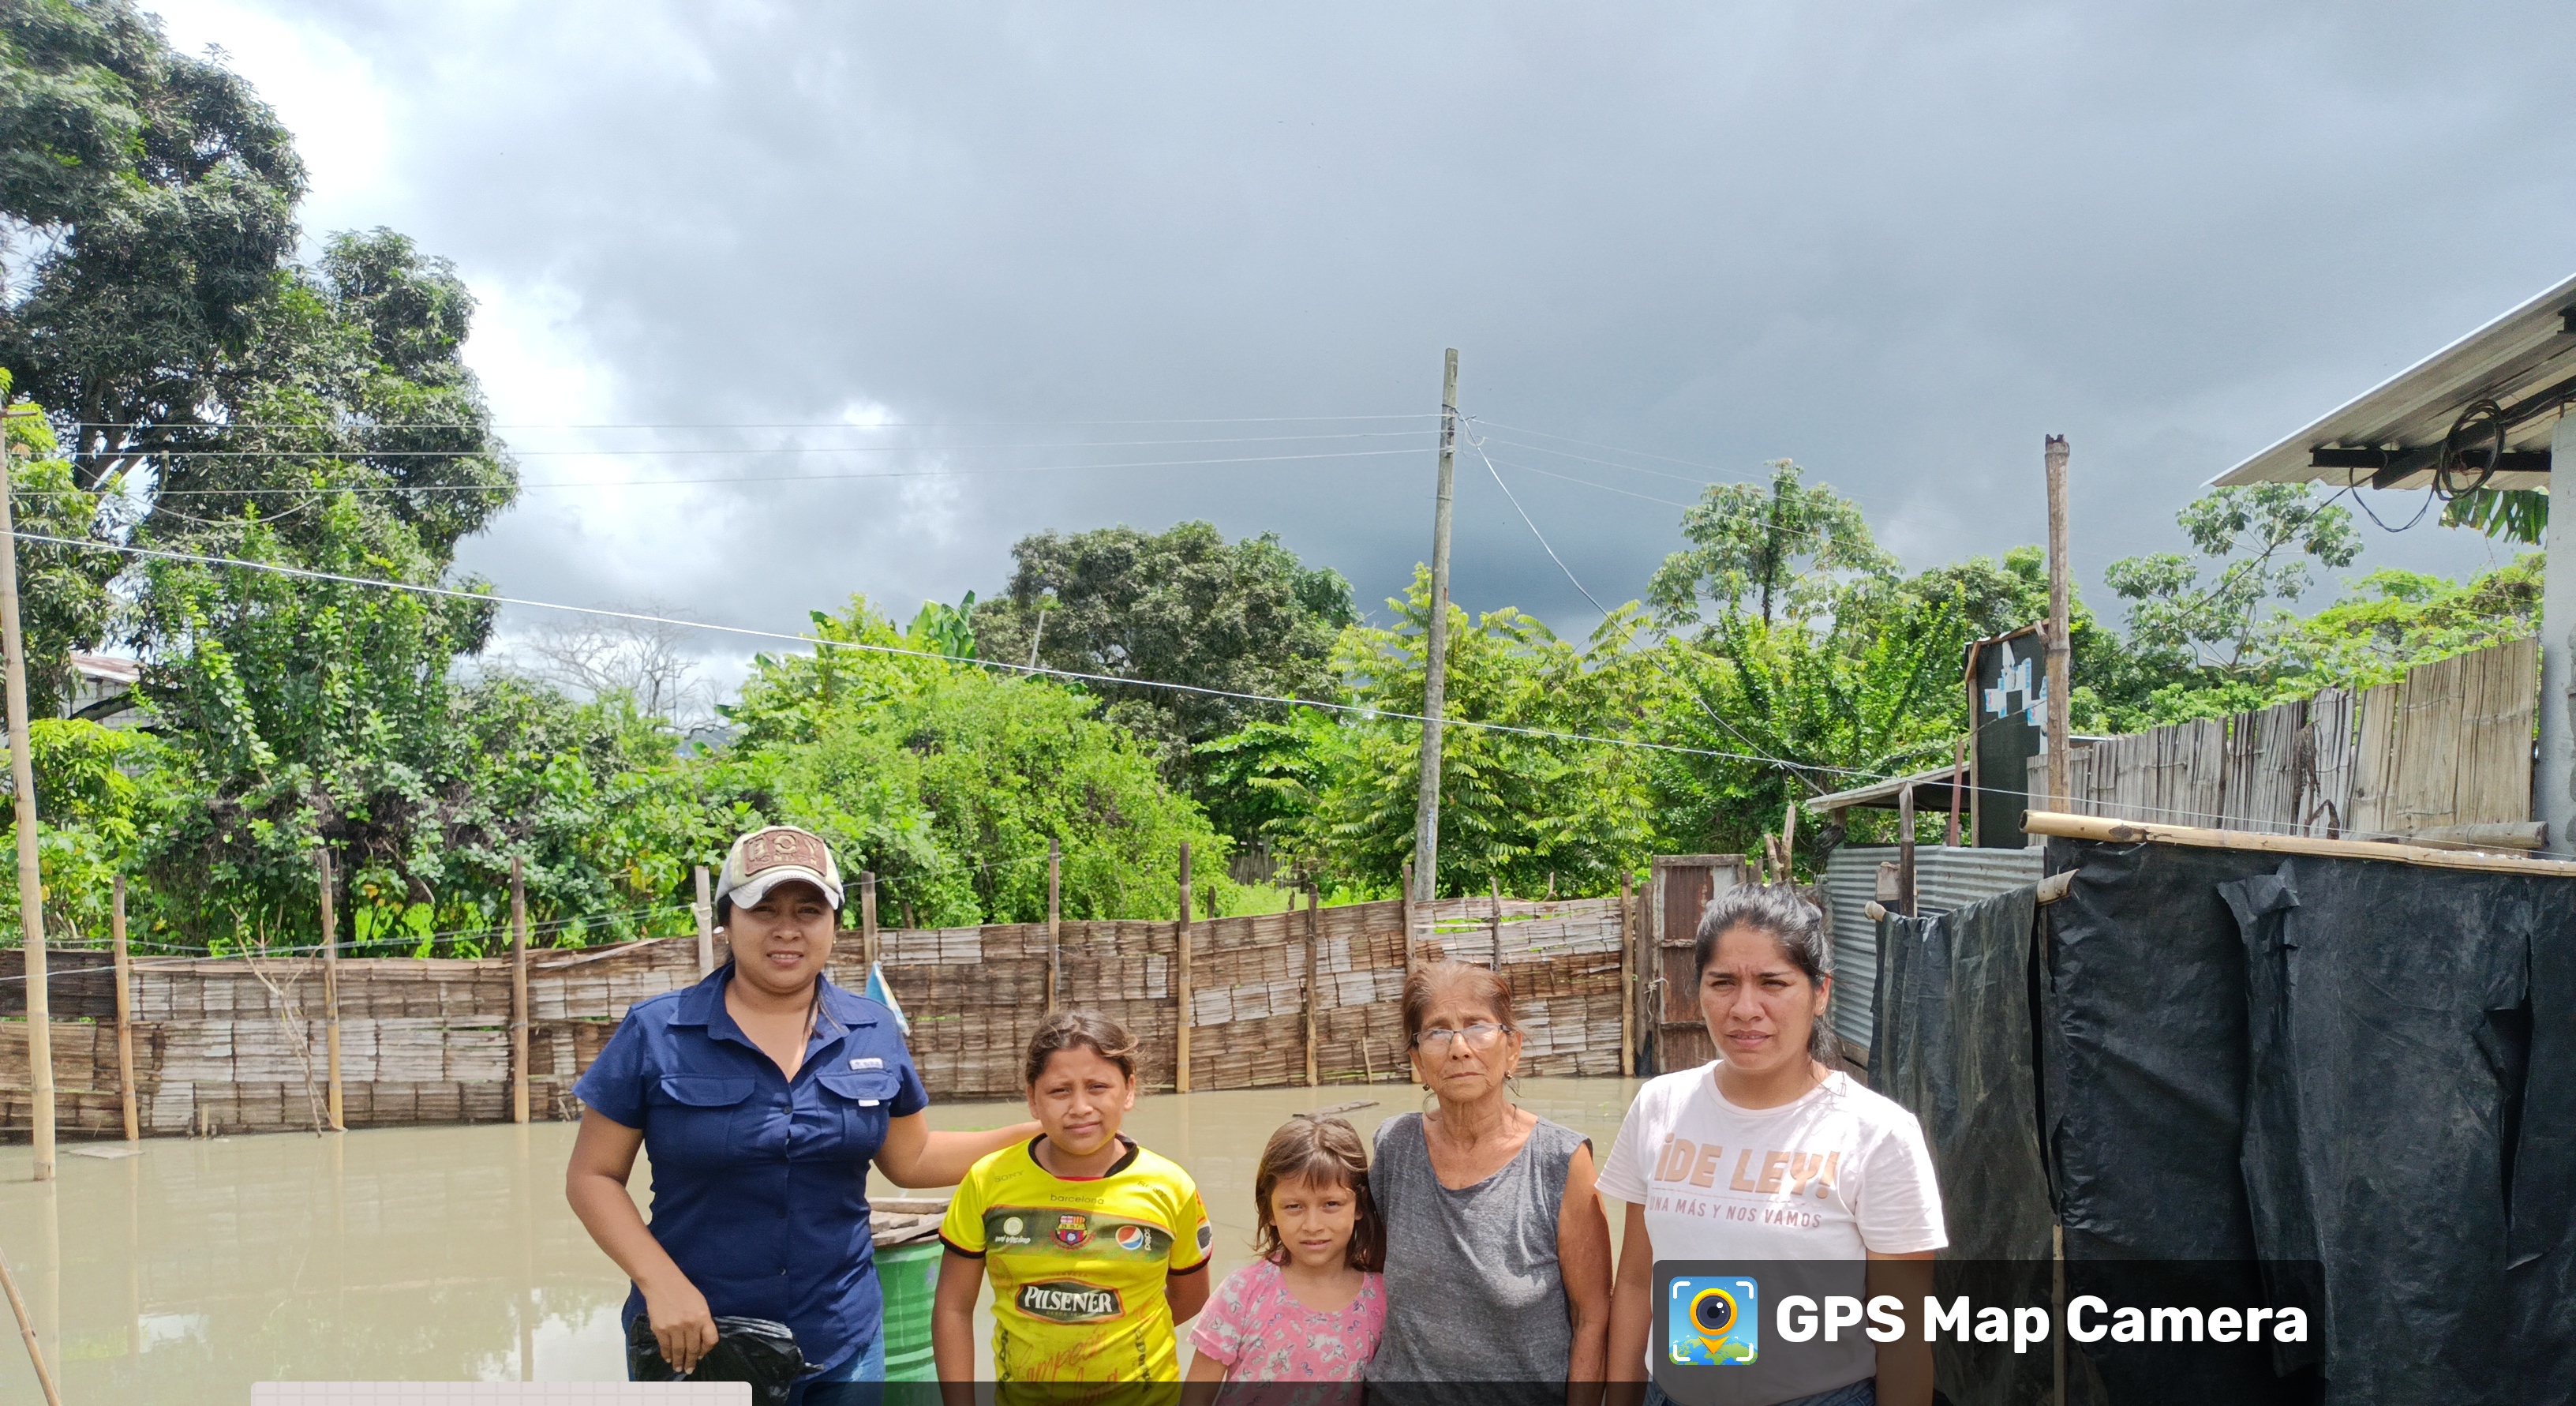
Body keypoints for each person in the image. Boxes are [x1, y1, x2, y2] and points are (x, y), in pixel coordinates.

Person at [566, 824, 1037, 1404]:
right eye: (763, 909)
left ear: (834, 924)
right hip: (693, 1342)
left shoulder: (872, 1028)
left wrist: (1038, 1137)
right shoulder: (658, 1030)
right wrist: (660, 1283)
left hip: (841, 1346)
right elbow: (592, 1176)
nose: (787, 929)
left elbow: (911, 1159)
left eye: (809, 910)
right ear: (726, 921)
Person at [1599, 885, 1945, 1406]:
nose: (1745, 1008)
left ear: (1820, 992)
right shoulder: (1659, 1105)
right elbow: (1633, 1283)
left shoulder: (1877, 1133)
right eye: (1723, 982)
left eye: (1773, 983)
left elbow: (1903, 1335)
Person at [933, 1010, 1215, 1399]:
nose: (1080, 1107)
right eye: (1059, 1091)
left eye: (1098, 1087)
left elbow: (1191, 1297)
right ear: (1033, 1099)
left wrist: (1115, 1333)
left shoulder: (1170, 1187)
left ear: (1129, 1090)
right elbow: (953, 1308)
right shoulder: (988, 1182)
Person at [1368, 960, 1613, 1391]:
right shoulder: (1395, 1146)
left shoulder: (1561, 1160)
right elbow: (1362, 1272)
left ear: (1512, 1048)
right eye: (1438, 1032)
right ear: (1417, 1061)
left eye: (1477, 1027)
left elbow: (1592, 1317)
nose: (1459, 1048)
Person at [1184, 1115, 1387, 1393]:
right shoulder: (1241, 1293)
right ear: (1269, 1211)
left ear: (1359, 1206)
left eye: (1331, 1204)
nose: (1313, 1226)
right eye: (1294, 1207)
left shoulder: (1381, 1299)